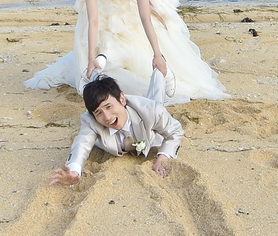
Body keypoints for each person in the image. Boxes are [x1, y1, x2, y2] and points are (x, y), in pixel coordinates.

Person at [26, 0, 228, 104]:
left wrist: (158, 55)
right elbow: (94, 19)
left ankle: (161, 65)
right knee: (105, 40)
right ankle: (99, 61)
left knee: (152, 22)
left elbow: (144, 18)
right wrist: (90, 57)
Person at [48, 70, 184, 185]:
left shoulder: (151, 110)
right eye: (98, 112)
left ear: (122, 99)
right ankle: (95, 71)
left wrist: (162, 158)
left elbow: (175, 131)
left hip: (146, 115)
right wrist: (74, 170)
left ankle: (159, 72)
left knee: (157, 99)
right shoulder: (90, 121)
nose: (107, 117)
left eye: (108, 107)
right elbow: (81, 145)